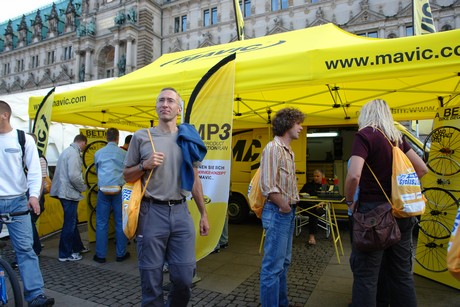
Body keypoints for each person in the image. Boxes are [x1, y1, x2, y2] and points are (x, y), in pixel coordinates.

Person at [123, 87, 210, 306]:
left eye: (170, 101)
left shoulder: (187, 137)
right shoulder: (142, 137)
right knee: (151, 280)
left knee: (183, 277)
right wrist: (145, 165)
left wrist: (203, 214)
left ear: (178, 109)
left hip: (181, 212)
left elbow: (195, 180)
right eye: (161, 100)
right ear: (156, 106)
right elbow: (126, 174)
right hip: (151, 212)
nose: (165, 104)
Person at [344, 99, 428, 307]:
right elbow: (422, 169)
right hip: (401, 212)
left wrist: (349, 200)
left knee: (367, 277)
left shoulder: (365, 135)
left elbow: (354, 175)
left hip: (373, 216)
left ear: (366, 115)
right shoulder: (396, 138)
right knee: (401, 275)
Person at [0, 101, 55, 306]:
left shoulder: (22, 139)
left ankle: (35, 295)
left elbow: (34, 171)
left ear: (4, 115)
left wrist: (33, 196)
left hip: (17, 202)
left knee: (25, 250)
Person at [259, 107, 305, 306]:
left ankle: (282, 303)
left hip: (286, 213)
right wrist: (285, 206)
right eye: (298, 123)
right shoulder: (273, 149)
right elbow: (268, 186)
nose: (301, 128)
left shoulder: (288, 151)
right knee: (273, 267)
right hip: (279, 213)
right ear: (288, 124)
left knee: (283, 264)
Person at [50, 134, 90, 262]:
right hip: (69, 193)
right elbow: (74, 176)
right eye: (85, 145)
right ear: (83, 142)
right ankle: (65, 253)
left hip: (63, 192)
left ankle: (78, 246)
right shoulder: (74, 154)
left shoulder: (66, 152)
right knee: (70, 223)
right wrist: (82, 187)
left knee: (72, 221)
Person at [93, 128, 129, 263]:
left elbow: (97, 171)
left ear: (106, 137)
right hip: (119, 190)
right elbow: (127, 171)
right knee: (120, 222)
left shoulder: (98, 153)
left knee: (101, 223)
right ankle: (121, 254)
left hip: (103, 190)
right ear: (117, 138)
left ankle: (100, 255)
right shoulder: (123, 153)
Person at [27, 133, 48, 256]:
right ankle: (34, 247)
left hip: (34, 197)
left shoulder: (40, 159)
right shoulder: (29, 157)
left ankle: (35, 247)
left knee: (29, 222)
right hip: (30, 196)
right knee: (29, 223)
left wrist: (36, 198)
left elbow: (41, 180)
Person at [299, 169, 327, 245]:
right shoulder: (307, 185)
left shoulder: (325, 187)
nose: (315, 178)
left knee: (313, 212)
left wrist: (323, 202)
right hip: (306, 207)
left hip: (319, 208)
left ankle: (312, 237)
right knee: (313, 209)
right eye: (314, 176)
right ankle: (312, 237)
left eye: (318, 176)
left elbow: (328, 199)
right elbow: (300, 195)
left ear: (322, 177)